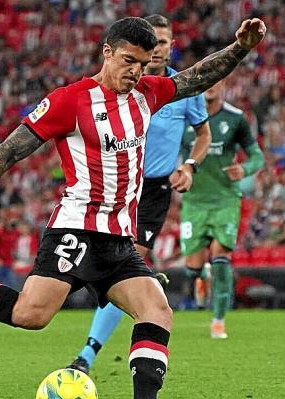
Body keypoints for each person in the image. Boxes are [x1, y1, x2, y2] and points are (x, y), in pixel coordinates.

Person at [0, 16, 267, 399]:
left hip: (118, 238)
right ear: (107, 53)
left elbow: (198, 77)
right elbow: (9, 151)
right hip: (75, 229)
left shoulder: (149, 93)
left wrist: (240, 48)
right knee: (32, 315)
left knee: (157, 309)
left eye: (144, 63)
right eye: (128, 60)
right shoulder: (69, 101)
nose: (136, 71)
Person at [67, 14, 211, 375]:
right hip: (110, 188)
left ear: (171, 46)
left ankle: (88, 353)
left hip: (151, 192)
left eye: (164, 42)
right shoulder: (121, 85)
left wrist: (189, 165)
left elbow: (203, 136)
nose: (159, 48)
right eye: (154, 42)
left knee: (129, 262)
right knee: (114, 268)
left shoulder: (181, 90)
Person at [179, 79, 265, 339]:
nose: (211, 87)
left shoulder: (236, 119)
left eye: (217, 82)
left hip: (225, 199)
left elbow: (257, 156)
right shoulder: (183, 119)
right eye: (206, 82)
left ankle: (218, 320)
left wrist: (245, 169)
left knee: (221, 258)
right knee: (191, 267)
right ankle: (200, 276)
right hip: (194, 201)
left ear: (225, 85)